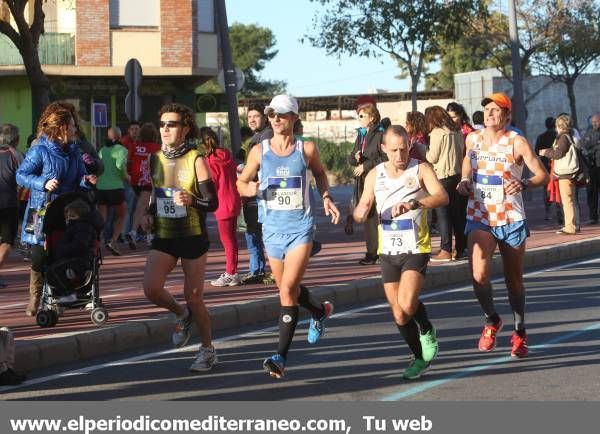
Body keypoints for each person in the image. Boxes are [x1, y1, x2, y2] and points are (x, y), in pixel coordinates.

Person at [237, 94, 340, 379]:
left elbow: (319, 174)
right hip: (271, 229)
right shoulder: (259, 151)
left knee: (287, 289)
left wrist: (327, 196)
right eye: (272, 114)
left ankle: (280, 356)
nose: (276, 119)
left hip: (301, 228)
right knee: (286, 288)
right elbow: (241, 182)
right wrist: (250, 189)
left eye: (282, 114)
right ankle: (319, 311)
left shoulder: (306, 149)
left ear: (294, 117)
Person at [457, 92, 549, 358]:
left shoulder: (516, 142)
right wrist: (464, 178)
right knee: (478, 274)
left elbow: (542, 174)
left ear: (507, 116)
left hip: (510, 217)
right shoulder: (472, 138)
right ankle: (491, 320)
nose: (489, 114)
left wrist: (524, 183)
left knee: (514, 280)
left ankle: (520, 332)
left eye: (496, 110)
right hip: (480, 215)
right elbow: (467, 159)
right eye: (487, 109)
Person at [354, 125, 448, 379]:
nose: (399, 154)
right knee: (398, 312)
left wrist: (415, 202)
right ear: (384, 149)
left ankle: (427, 329)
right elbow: (363, 203)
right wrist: (359, 214)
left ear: (409, 146)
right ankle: (418, 358)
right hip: (388, 250)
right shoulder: (375, 174)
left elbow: (442, 196)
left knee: (407, 303)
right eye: (394, 149)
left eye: (404, 148)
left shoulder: (420, 169)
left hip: (415, 247)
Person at [142, 103, 219, 372]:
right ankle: (180, 314)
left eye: (171, 124)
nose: (165, 129)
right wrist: (149, 213)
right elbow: (156, 193)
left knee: (194, 297)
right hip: (164, 234)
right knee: (151, 288)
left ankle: (208, 350)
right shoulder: (155, 158)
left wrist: (191, 199)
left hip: (192, 237)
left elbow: (213, 203)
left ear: (185, 128)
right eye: (162, 124)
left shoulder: (196, 159)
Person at [16, 103, 97, 317]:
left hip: (66, 210)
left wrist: (87, 181)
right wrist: (43, 182)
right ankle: (35, 294)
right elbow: (21, 175)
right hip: (40, 211)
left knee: (60, 252)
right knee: (38, 257)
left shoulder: (75, 152)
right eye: (71, 125)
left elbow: (80, 178)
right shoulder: (39, 150)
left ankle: (57, 296)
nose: (74, 129)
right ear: (60, 128)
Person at [199, 127, 242, 287]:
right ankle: (233, 271)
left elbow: (213, 184)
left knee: (227, 240)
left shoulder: (209, 161)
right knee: (231, 239)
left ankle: (230, 273)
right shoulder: (227, 154)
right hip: (234, 198)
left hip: (222, 202)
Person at [349, 95, 387, 265]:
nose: (359, 118)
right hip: (362, 182)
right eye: (358, 115)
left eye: (362, 116)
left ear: (372, 117)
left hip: (378, 180)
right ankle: (372, 252)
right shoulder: (361, 135)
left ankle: (379, 252)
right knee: (368, 217)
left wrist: (366, 166)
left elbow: (386, 157)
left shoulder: (380, 134)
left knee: (378, 217)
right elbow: (351, 158)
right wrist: (355, 157)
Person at [425, 106, 466, 261]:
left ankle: (445, 249)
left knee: (443, 215)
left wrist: (424, 149)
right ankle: (461, 248)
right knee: (457, 215)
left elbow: (432, 157)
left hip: (443, 176)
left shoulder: (437, 133)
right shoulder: (457, 131)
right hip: (457, 175)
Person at [239, 103, 272, 284]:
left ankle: (261, 270)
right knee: (254, 230)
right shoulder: (257, 137)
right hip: (255, 189)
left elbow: (263, 164)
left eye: (255, 116)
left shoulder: (265, 136)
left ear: (264, 118)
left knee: (257, 230)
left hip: (261, 191)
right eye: (249, 117)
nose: (252, 120)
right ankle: (258, 269)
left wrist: (244, 170)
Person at [539, 114, 579, 235]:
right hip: (568, 173)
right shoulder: (569, 135)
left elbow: (559, 153)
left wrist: (546, 152)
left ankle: (570, 227)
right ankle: (572, 225)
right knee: (569, 199)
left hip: (565, 173)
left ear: (559, 126)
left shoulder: (563, 137)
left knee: (567, 200)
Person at [48, 199, 98, 292]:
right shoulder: (73, 227)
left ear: (82, 216)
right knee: (53, 269)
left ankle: (68, 294)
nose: (69, 219)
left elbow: (80, 245)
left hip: (79, 259)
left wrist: (61, 250)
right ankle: (71, 276)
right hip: (70, 258)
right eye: (67, 217)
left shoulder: (84, 227)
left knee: (53, 271)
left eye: (72, 216)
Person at [126, 122, 161, 248]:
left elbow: (128, 163)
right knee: (144, 208)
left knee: (144, 209)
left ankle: (148, 236)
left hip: (135, 181)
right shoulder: (157, 148)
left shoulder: (134, 146)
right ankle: (134, 232)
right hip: (148, 180)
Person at [97, 127, 129, 256]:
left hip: (101, 187)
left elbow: (98, 167)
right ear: (120, 137)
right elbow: (120, 165)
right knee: (122, 215)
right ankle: (113, 241)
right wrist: (125, 176)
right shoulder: (122, 150)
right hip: (115, 187)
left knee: (102, 218)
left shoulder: (102, 150)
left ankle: (97, 241)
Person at [0, 124, 21, 288]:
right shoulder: (16, 155)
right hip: (8, 204)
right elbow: (23, 180)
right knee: (7, 242)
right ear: (17, 139)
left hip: (8, 203)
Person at [121, 122, 141, 243]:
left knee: (137, 207)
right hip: (127, 179)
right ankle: (125, 234)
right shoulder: (124, 142)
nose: (134, 131)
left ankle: (133, 232)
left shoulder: (140, 142)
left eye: (136, 129)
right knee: (129, 207)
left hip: (138, 179)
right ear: (128, 130)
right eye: (132, 129)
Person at [534, 117, 557, 221]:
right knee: (559, 186)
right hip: (557, 165)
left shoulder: (541, 137)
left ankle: (548, 211)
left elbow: (536, 151)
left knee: (546, 189)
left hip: (545, 165)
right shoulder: (558, 136)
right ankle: (560, 211)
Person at [581, 113, 600, 224]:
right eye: (593, 122)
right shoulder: (589, 133)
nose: (594, 124)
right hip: (592, 168)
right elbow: (582, 146)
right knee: (592, 193)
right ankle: (593, 217)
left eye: (596, 122)